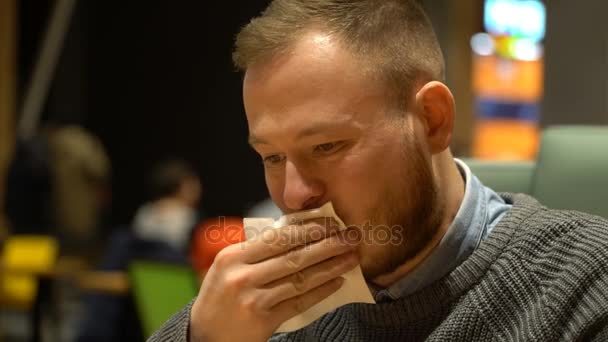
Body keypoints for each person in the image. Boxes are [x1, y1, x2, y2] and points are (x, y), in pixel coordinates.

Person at [150, 1, 608, 341]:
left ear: (433, 120)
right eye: (272, 157)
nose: (293, 196)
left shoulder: (586, 284)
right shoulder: (270, 313)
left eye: (326, 145)